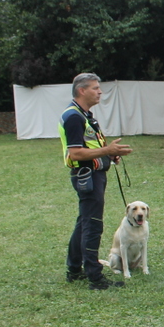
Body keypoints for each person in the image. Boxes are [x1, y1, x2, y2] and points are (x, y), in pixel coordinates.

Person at [60, 73, 133, 291]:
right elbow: (75, 153)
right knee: (92, 225)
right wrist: (107, 150)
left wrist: (108, 154)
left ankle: (74, 269)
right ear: (82, 90)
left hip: (94, 174)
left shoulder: (84, 115)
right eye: (95, 88)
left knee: (84, 222)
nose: (100, 92)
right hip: (87, 177)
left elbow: (90, 147)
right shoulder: (74, 117)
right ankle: (95, 278)